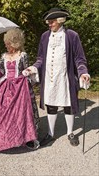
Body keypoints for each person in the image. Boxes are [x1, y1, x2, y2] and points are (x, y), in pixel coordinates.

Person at [23, 8, 90, 147]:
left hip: (66, 78)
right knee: (51, 105)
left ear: (60, 21)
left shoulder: (72, 36)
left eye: (52, 21)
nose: (49, 24)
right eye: (48, 21)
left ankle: (70, 132)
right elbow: (40, 58)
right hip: (50, 78)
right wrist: (33, 68)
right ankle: (50, 133)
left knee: (69, 105)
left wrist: (83, 72)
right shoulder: (44, 37)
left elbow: (79, 58)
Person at [0, 28, 40, 151]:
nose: (7, 46)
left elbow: (27, 70)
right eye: (6, 44)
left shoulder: (23, 55)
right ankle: (2, 137)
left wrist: (28, 73)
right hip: (5, 86)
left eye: (8, 44)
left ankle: (24, 136)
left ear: (15, 43)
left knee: (22, 112)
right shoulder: (4, 56)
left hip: (20, 86)